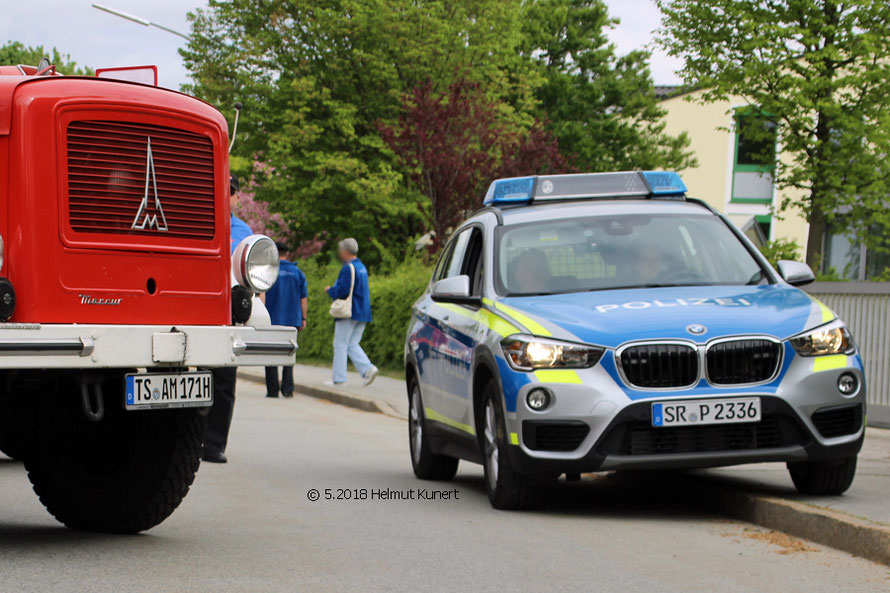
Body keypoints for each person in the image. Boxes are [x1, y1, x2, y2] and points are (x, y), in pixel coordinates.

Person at [204, 174, 253, 464]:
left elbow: (252, 275)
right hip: (189, 307)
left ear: (236, 197)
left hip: (227, 312)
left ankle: (213, 444)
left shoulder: (244, 231)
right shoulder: (194, 221)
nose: (225, 195)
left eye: (230, 191)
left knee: (223, 379)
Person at [324, 238, 378, 386]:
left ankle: (339, 379)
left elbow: (342, 291)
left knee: (340, 344)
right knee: (352, 343)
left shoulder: (348, 268)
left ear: (345, 252)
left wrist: (330, 291)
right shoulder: (362, 267)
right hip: (363, 311)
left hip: (349, 312)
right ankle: (368, 369)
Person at [264, 242, 307, 398]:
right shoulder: (298, 273)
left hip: (271, 318)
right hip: (292, 319)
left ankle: (272, 390)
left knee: (269, 354)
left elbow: (261, 294)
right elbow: (303, 299)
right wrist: (303, 318)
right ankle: (288, 389)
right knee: (289, 353)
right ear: (287, 254)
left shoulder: (268, 271)